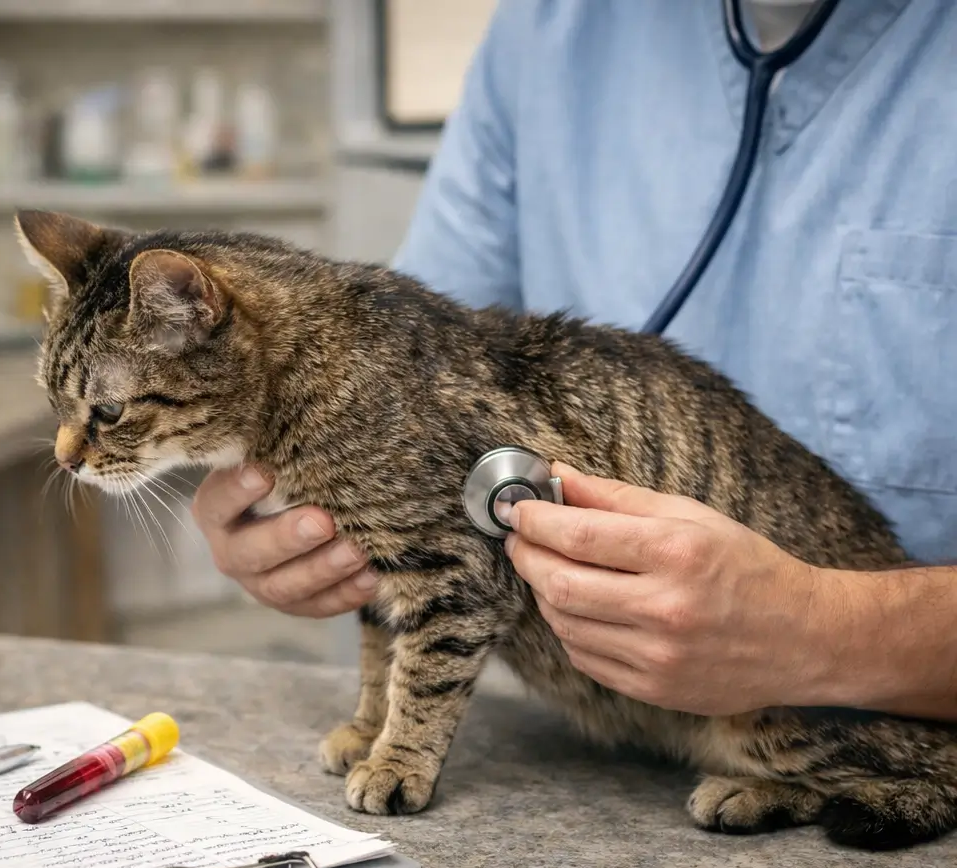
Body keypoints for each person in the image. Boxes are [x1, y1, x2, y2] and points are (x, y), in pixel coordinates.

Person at [192, 0, 957, 722]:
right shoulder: (549, 27)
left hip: (879, 737)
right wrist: (286, 521)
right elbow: (406, 382)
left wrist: (830, 635)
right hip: (592, 754)